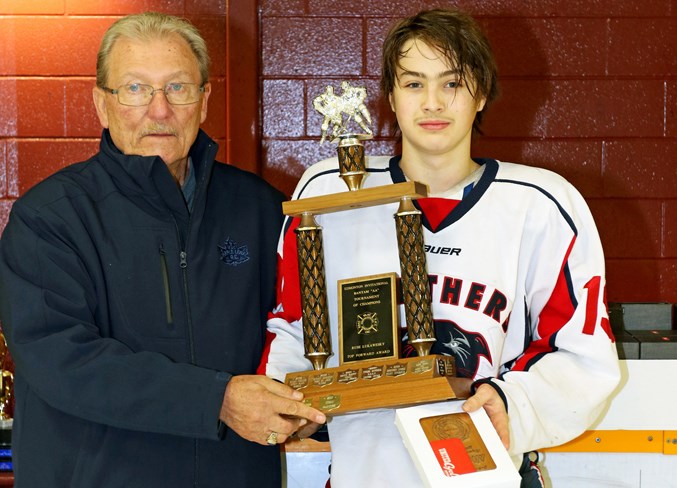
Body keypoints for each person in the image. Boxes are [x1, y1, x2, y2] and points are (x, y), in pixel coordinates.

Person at [260, 8, 620, 487]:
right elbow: (293, 326)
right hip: (360, 474)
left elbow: (582, 354)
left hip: (480, 474)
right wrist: (288, 400)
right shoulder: (327, 191)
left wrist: (511, 402)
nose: (432, 102)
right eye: (413, 84)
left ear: (482, 93)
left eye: (452, 83)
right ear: (390, 94)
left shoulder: (540, 205)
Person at [0, 12, 325, 487]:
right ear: (100, 104)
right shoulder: (49, 219)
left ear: (204, 99)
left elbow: (303, 327)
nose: (159, 110)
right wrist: (216, 399)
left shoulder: (261, 209)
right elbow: (63, 362)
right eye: (135, 89)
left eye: (177, 88)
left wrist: (315, 397)